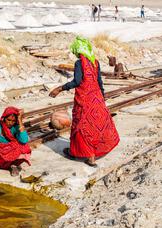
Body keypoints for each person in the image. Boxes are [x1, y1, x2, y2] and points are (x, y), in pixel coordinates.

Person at [49, 37, 120, 167]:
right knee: (96, 125)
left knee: (82, 126)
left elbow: (77, 81)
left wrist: (59, 88)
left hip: (84, 100)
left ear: (78, 50)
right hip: (96, 98)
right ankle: (93, 153)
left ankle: (86, 155)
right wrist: (101, 97)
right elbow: (99, 82)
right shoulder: (95, 62)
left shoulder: (79, 63)